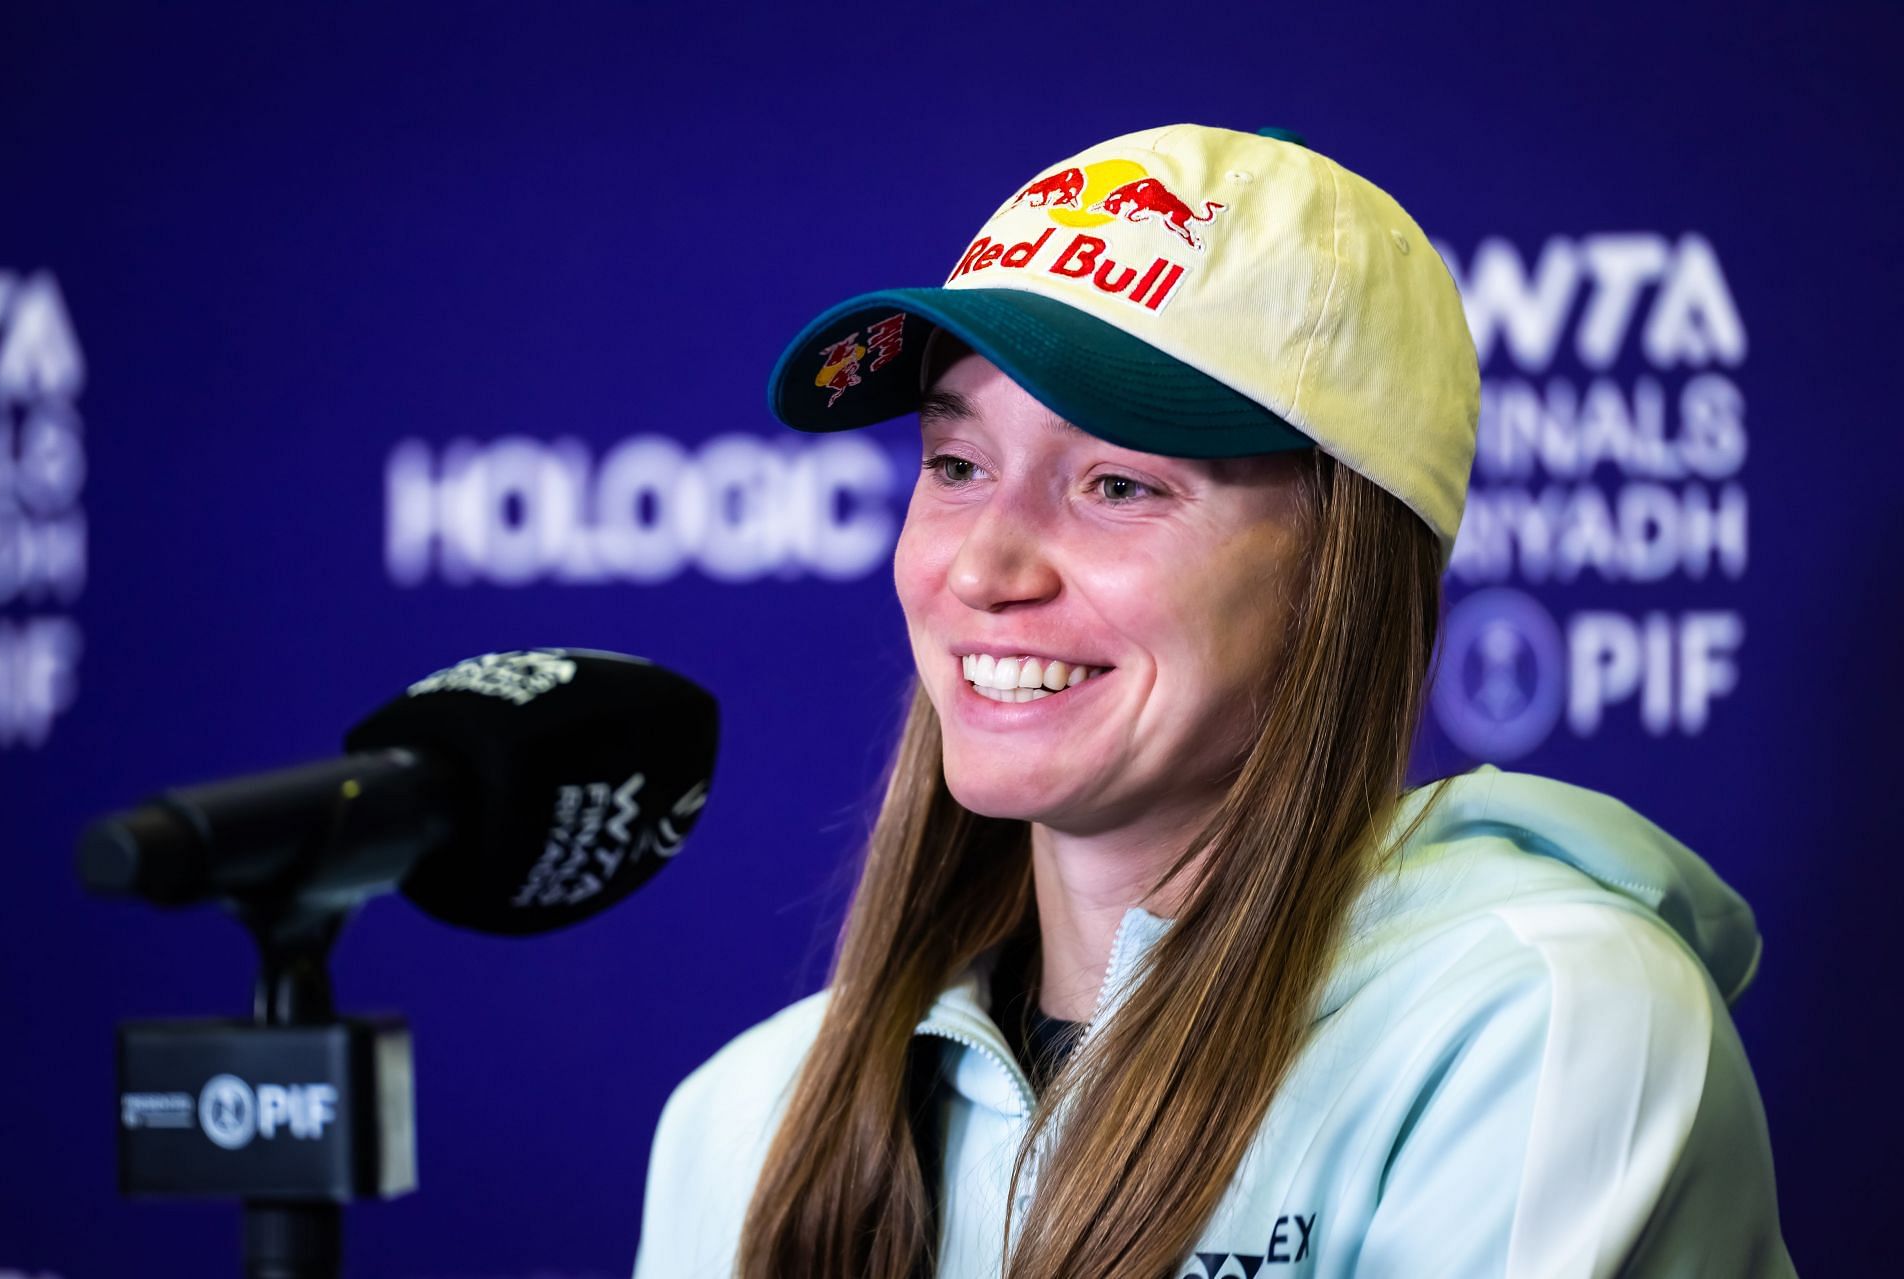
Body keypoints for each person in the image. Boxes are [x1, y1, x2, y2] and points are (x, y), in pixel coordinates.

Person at [633, 125, 1794, 1278]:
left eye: (1118, 484)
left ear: (1342, 572)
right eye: (955, 466)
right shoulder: (748, 1122)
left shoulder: (1535, 1028)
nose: (983, 571)